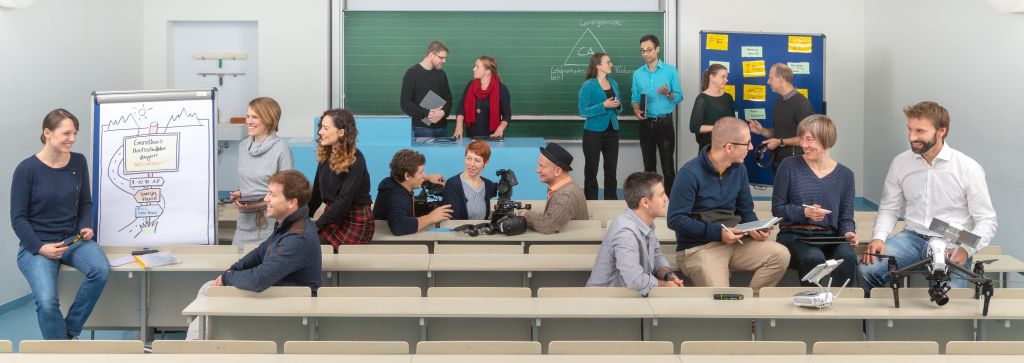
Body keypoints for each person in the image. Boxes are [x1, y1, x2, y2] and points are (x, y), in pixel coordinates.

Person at [859, 101, 997, 294]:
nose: (911, 137)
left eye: (920, 131)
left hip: (955, 239)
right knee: (866, 270)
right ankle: (876, 323)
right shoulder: (900, 163)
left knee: (949, 300)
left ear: (941, 131)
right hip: (913, 236)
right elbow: (890, 208)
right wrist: (879, 238)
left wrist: (966, 250)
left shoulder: (968, 168)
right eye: (909, 129)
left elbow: (987, 220)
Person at [187, 169, 322, 340]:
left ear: (291, 203)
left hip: (289, 309)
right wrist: (234, 269)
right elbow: (261, 251)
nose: (266, 199)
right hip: (281, 296)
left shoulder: (296, 238)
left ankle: (191, 349)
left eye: (272, 195)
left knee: (209, 290)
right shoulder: (289, 224)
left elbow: (259, 279)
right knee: (209, 289)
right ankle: (194, 346)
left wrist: (228, 278)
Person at [11, 109, 110, 340]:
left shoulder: (78, 161)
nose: (72, 139)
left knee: (101, 270)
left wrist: (86, 225)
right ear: (47, 133)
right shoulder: (26, 170)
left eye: (75, 133)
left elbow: (86, 202)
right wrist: (39, 247)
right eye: (66, 133)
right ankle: (60, 351)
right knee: (46, 302)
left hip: (73, 240)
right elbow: (18, 218)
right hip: (37, 245)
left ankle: (69, 334)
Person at [667, 117, 790, 295]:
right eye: (747, 143)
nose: (750, 148)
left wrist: (755, 227)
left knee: (780, 255)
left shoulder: (739, 169)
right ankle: (737, 311)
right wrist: (718, 233)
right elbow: (676, 220)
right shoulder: (689, 174)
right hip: (700, 248)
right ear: (729, 147)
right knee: (723, 298)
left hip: (737, 242)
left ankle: (750, 306)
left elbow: (745, 209)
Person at [771, 115, 858, 286]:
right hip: (795, 235)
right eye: (802, 139)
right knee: (813, 258)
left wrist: (848, 232)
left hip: (830, 237)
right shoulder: (788, 166)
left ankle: (842, 307)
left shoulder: (846, 175)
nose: (803, 145)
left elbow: (846, 218)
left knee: (848, 256)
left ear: (826, 140)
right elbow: (778, 209)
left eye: (809, 139)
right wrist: (804, 212)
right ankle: (812, 305)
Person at [587, 172, 683, 296]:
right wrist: (664, 285)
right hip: (604, 302)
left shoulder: (646, 224)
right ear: (645, 203)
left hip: (625, 299)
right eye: (661, 195)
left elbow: (656, 257)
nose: (666, 199)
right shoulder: (625, 233)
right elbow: (635, 280)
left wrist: (668, 275)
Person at [230, 97, 294, 247]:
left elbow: (287, 194)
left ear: (268, 119)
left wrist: (258, 203)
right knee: (236, 266)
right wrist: (241, 193)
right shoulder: (243, 146)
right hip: (244, 224)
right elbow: (250, 182)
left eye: (254, 117)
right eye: (247, 116)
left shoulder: (281, 149)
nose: (248, 121)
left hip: (270, 225)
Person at [307, 108, 374, 250]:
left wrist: (315, 227)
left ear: (341, 132)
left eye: (325, 128)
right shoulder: (326, 154)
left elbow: (343, 203)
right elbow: (317, 195)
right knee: (302, 240)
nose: (320, 132)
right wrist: (304, 218)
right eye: (320, 128)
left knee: (310, 245)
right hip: (333, 216)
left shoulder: (356, 159)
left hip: (356, 221)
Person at [630, 34, 683, 194]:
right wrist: (636, 109)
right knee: (649, 166)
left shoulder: (670, 71)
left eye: (649, 50)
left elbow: (679, 96)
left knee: (668, 166)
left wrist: (668, 93)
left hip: (664, 123)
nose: (645, 54)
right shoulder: (638, 74)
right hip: (645, 123)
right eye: (642, 51)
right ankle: (651, 199)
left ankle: (671, 202)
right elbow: (634, 98)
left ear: (657, 49)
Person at [749, 63, 815, 174]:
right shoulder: (778, 103)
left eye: (770, 78)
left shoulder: (802, 104)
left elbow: (808, 139)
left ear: (780, 79)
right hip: (777, 161)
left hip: (796, 164)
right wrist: (762, 131)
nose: (768, 82)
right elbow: (779, 133)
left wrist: (780, 142)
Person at [373, 149, 452, 235]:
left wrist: (428, 178)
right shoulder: (396, 196)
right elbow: (399, 227)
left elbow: (411, 180)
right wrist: (431, 218)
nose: (424, 175)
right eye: (421, 172)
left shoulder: (391, 181)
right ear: (407, 176)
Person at [578, 52, 622, 200]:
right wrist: (603, 105)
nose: (611, 65)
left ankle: (611, 203)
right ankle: (590, 203)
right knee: (591, 170)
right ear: (598, 66)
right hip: (593, 133)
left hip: (612, 132)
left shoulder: (614, 83)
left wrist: (617, 105)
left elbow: (619, 109)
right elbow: (583, 111)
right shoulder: (588, 85)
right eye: (608, 62)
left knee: (611, 170)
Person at [522, 143, 589, 234]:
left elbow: (547, 225)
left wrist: (525, 214)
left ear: (557, 171)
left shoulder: (566, 195)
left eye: (542, 166)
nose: (537, 170)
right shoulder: (564, 188)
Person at [400, 40, 453, 139]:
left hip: (442, 128)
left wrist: (442, 112)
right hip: (421, 128)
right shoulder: (412, 73)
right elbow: (405, 103)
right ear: (431, 54)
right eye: (441, 58)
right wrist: (427, 113)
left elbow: (448, 99)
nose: (444, 61)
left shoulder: (441, 74)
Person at [454, 56, 511, 139]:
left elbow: (507, 115)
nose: (473, 69)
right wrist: (459, 126)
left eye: (477, 66)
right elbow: (461, 109)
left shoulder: (501, 89)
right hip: (471, 136)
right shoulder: (471, 85)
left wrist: (500, 129)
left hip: (493, 136)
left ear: (487, 70)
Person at [442, 140, 498, 220]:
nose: (471, 164)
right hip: (459, 231)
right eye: (469, 158)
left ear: (486, 163)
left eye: (477, 160)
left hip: (482, 231)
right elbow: (452, 219)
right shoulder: (452, 184)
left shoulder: (488, 185)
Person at [689, 63, 734, 151]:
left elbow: (732, 121)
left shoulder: (728, 97)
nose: (726, 80)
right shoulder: (702, 99)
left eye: (726, 77)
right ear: (712, 78)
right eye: (723, 77)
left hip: (727, 147)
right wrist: (717, 127)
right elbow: (694, 127)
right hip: (708, 148)